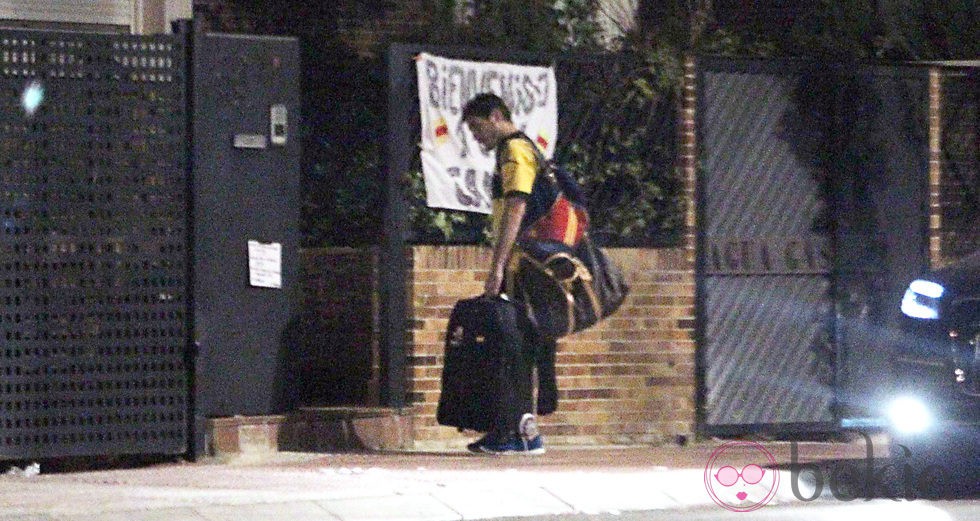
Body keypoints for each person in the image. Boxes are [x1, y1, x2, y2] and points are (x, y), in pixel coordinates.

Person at [461, 93, 558, 454]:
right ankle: (517, 429)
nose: (476, 137)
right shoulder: (517, 149)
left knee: (514, 347)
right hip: (525, 262)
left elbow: (517, 206)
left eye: (477, 127)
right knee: (520, 347)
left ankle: (518, 433)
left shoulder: (514, 150)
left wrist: (498, 266)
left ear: (497, 116)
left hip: (523, 264)